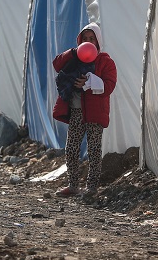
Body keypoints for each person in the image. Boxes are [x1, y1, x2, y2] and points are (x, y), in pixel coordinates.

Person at [52, 22, 117, 198]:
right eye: (84, 39)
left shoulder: (105, 61)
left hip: (95, 113)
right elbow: (57, 64)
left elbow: (109, 85)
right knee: (71, 149)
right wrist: (73, 52)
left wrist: (89, 83)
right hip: (76, 111)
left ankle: (92, 187)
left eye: (91, 39)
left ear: (98, 41)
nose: (88, 42)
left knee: (94, 150)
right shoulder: (75, 58)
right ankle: (73, 185)